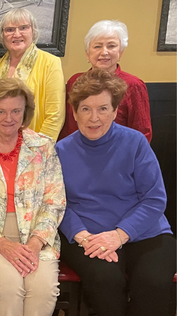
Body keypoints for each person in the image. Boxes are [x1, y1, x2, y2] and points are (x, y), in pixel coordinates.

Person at [56, 69, 176, 316]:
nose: (94, 118)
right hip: (88, 237)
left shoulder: (135, 142)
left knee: (152, 282)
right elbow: (57, 203)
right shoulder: (60, 150)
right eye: (86, 109)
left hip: (144, 232)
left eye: (103, 109)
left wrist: (120, 235)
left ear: (114, 111)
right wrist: (82, 236)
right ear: (75, 112)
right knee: (105, 281)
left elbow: (154, 198)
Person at [0, 78, 66, 316]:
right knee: (8, 287)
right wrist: (2, 243)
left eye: (16, 111)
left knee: (43, 288)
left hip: (37, 237)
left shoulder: (43, 146)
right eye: (1, 111)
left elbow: (54, 201)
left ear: (25, 112)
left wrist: (35, 243)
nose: (9, 118)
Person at [58, 20, 152, 142]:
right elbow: (69, 128)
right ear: (87, 53)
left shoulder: (134, 85)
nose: (104, 52)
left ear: (120, 52)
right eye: (97, 46)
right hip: (78, 152)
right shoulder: (75, 81)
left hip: (118, 155)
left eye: (111, 46)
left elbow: (143, 133)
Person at [0, 8, 65, 141]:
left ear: (33, 31)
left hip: (35, 148)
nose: (16, 34)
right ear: (3, 35)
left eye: (23, 28)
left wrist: (39, 150)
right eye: (10, 30)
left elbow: (55, 115)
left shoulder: (50, 63)